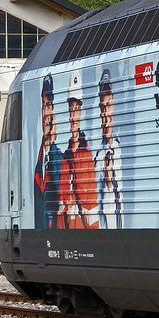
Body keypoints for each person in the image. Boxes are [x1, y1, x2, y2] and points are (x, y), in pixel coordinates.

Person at [59, 69, 100, 229]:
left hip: (82, 229)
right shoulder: (65, 158)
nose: (73, 115)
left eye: (76, 109)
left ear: (81, 112)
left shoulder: (87, 156)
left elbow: (90, 204)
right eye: (71, 109)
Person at [96, 68, 124, 228]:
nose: (106, 113)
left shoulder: (122, 151)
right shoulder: (98, 158)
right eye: (102, 107)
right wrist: (107, 182)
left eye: (109, 105)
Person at [33, 73, 62, 229]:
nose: (46, 112)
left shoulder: (59, 160)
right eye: (44, 105)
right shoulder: (37, 163)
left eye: (49, 105)